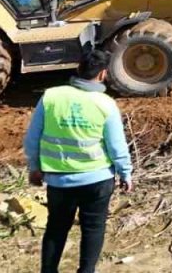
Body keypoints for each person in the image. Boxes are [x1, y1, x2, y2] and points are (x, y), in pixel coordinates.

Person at [24, 49, 132, 273]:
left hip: (59, 181)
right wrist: (125, 172)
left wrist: (35, 168)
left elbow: (32, 139)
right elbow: (116, 146)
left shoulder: (51, 97)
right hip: (98, 180)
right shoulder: (106, 104)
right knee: (93, 228)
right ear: (103, 74)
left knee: (56, 229)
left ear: (77, 69)